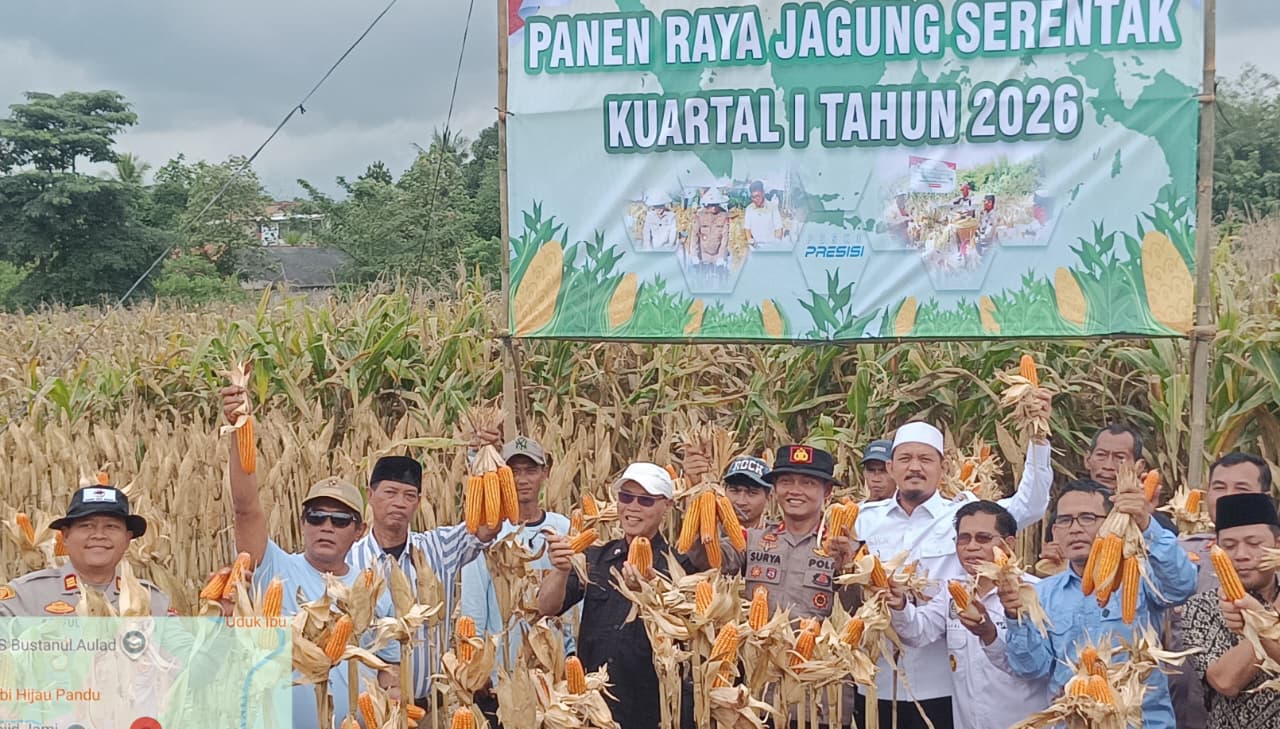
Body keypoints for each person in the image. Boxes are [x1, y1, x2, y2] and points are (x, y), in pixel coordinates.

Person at [855, 411, 1054, 729]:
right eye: (905, 459)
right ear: (891, 468)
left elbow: (1030, 505)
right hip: (876, 680)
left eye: (925, 459)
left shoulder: (966, 515)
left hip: (943, 687)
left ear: (944, 467)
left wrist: (1038, 437)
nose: (915, 467)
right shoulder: (862, 518)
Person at [220, 385, 402, 727]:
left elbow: (389, 666)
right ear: (302, 523)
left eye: (340, 520)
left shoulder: (372, 589)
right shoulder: (274, 569)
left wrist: (393, 701)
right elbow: (245, 509)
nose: (326, 527)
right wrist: (239, 429)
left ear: (359, 530)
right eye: (316, 517)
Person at [1001, 480, 1197, 729]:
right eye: (1065, 520)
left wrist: (1147, 525)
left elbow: (1182, 586)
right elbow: (1031, 668)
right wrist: (1014, 617)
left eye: (1087, 518)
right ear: (1055, 532)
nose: (1075, 529)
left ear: (1112, 522)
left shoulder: (1143, 577)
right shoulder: (1041, 594)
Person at [537, 463, 693, 729]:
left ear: (667, 505)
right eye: (626, 497)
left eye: (645, 500)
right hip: (594, 706)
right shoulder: (596, 557)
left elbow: (689, 635)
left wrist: (649, 594)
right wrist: (561, 570)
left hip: (651, 712)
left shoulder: (681, 568)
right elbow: (547, 607)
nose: (633, 507)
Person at [347, 451, 499, 708]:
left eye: (409, 496)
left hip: (433, 710)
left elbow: (488, 526)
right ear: (369, 495)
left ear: (418, 502)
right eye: (390, 493)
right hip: (371, 711)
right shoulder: (348, 561)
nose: (399, 503)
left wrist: (484, 459)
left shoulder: (440, 548)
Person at [885, 501, 1049, 729]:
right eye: (964, 539)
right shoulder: (952, 591)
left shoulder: (1038, 593)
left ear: (1009, 544)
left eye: (983, 538)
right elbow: (917, 633)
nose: (971, 547)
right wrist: (899, 605)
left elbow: (1033, 668)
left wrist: (990, 635)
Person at [460, 434, 575, 727]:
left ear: (545, 473)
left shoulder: (563, 528)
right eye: (513, 471)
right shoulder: (488, 533)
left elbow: (575, 603)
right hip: (501, 678)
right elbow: (473, 602)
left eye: (530, 470)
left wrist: (572, 653)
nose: (522, 479)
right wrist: (476, 662)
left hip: (553, 676)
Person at [1169, 452, 1274, 729]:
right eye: (1228, 546)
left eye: (1254, 543)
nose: (1241, 555)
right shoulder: (1201, 607)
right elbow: (1225, 681)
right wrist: (1268, 618)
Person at [0, 484, 173, 616]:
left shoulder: (153, 600)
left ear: (127, 539)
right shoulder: (24, 596)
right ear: (65, 536)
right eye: (87, 526)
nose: (99, 535)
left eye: (111, 526)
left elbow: (181, 650)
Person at [690, 188, 730, 282]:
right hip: (703, 254)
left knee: (719, 280)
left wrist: (721, 256)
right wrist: (694, 255)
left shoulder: (724, 216)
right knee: (702, 280)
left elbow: (725, 237)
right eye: (711, 205)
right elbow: (694, 236)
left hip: (718, 254)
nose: (714, 208)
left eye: (716, 204)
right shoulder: (699, 215)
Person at [743, 180, 783, 247]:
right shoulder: (749, 209)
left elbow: (779, 229)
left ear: (763, 193)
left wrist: (776, 244)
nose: (755, 199)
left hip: (771, 246)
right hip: (756, 247)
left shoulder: (773, 207)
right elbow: (747, 229)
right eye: (753, 197)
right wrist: (750, 240)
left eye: (757, 196)